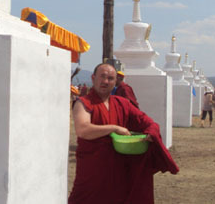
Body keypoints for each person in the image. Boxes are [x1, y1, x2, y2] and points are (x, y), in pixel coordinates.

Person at [69, 64, 178, 204]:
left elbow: (148, 122)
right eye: (102, 77)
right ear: (93, 78)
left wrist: (150, 133)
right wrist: (114, 128)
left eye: (110, 78)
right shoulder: (83, 103)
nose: (105, 81)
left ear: (116, 82)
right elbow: (83, 130)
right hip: (92, 171)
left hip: (119, 170)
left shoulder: (122, 104)